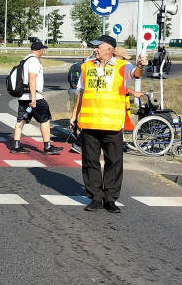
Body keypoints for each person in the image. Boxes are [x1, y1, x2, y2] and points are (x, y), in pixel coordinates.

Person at [69, 34, 148, 213]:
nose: (95, 49)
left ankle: (110, 198)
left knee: (114, 161)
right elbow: (81, 93)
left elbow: (135, 73)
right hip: (89, 123)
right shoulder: (86, 66)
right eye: (95, 46)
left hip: (112, 124)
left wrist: (141, 66)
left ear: (109, 49)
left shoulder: (122, 66)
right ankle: (95, 197)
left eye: (98, 46)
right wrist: (74, 115)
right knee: (90, 161)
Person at [10, 40, 63, 155]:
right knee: (45, 119)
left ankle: (16, 145)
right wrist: (34, 98)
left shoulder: (25, 60)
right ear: (40, 50)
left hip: (23, 96)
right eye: (43, 49)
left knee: (21, 119)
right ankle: (47, 146)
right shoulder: (34, 61)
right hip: (34, 96)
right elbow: (32, 78)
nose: (43, 51)